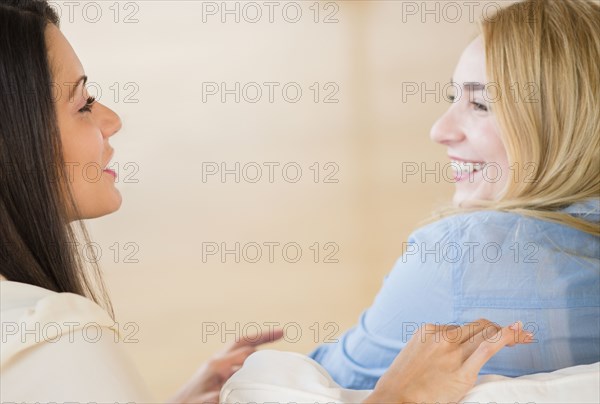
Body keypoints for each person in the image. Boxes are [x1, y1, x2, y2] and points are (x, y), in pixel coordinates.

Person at [0, 0, 533, 403]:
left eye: (480, 103)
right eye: (84, 103)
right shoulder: (55, 335)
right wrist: (398, 397)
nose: (111, 119)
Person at [308, 0, 600, 390]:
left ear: (562, 120)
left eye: (480, 104)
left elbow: (326, 383)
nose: (440, 130)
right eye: (452, 99)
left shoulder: (462, 253)